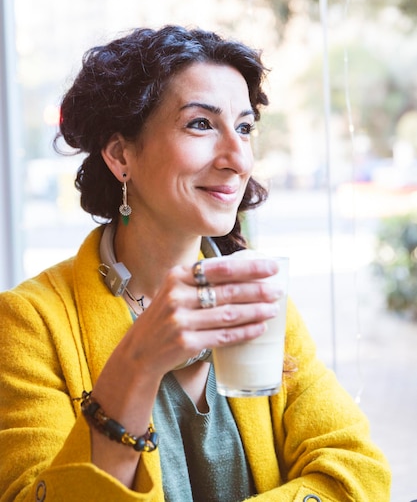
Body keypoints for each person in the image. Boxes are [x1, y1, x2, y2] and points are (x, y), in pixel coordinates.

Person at [0, 25, 390, 502]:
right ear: (121, 155)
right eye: (201, 124)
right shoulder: (29, 323)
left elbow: (356, 473)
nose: (237, 157)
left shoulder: (257, 300)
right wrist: (137, 364)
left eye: (244, 128)